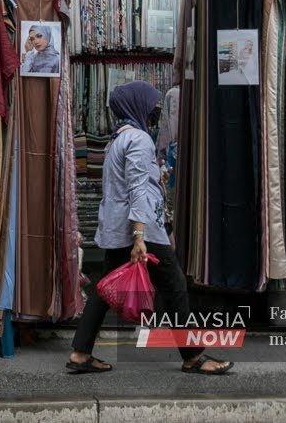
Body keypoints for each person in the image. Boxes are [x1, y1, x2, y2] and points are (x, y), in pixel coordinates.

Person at [67, 81, 233, 376]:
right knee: (174, 286)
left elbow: (129, 185)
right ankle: (193, 357)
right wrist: (140, 236)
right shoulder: (140, 139)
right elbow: (137, 189)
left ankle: (80, 353)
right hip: (141, 230)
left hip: (120, 228)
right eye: (151, 104)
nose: (155, 110)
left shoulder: (118, 139)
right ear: (138, 105)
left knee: (104, 288)